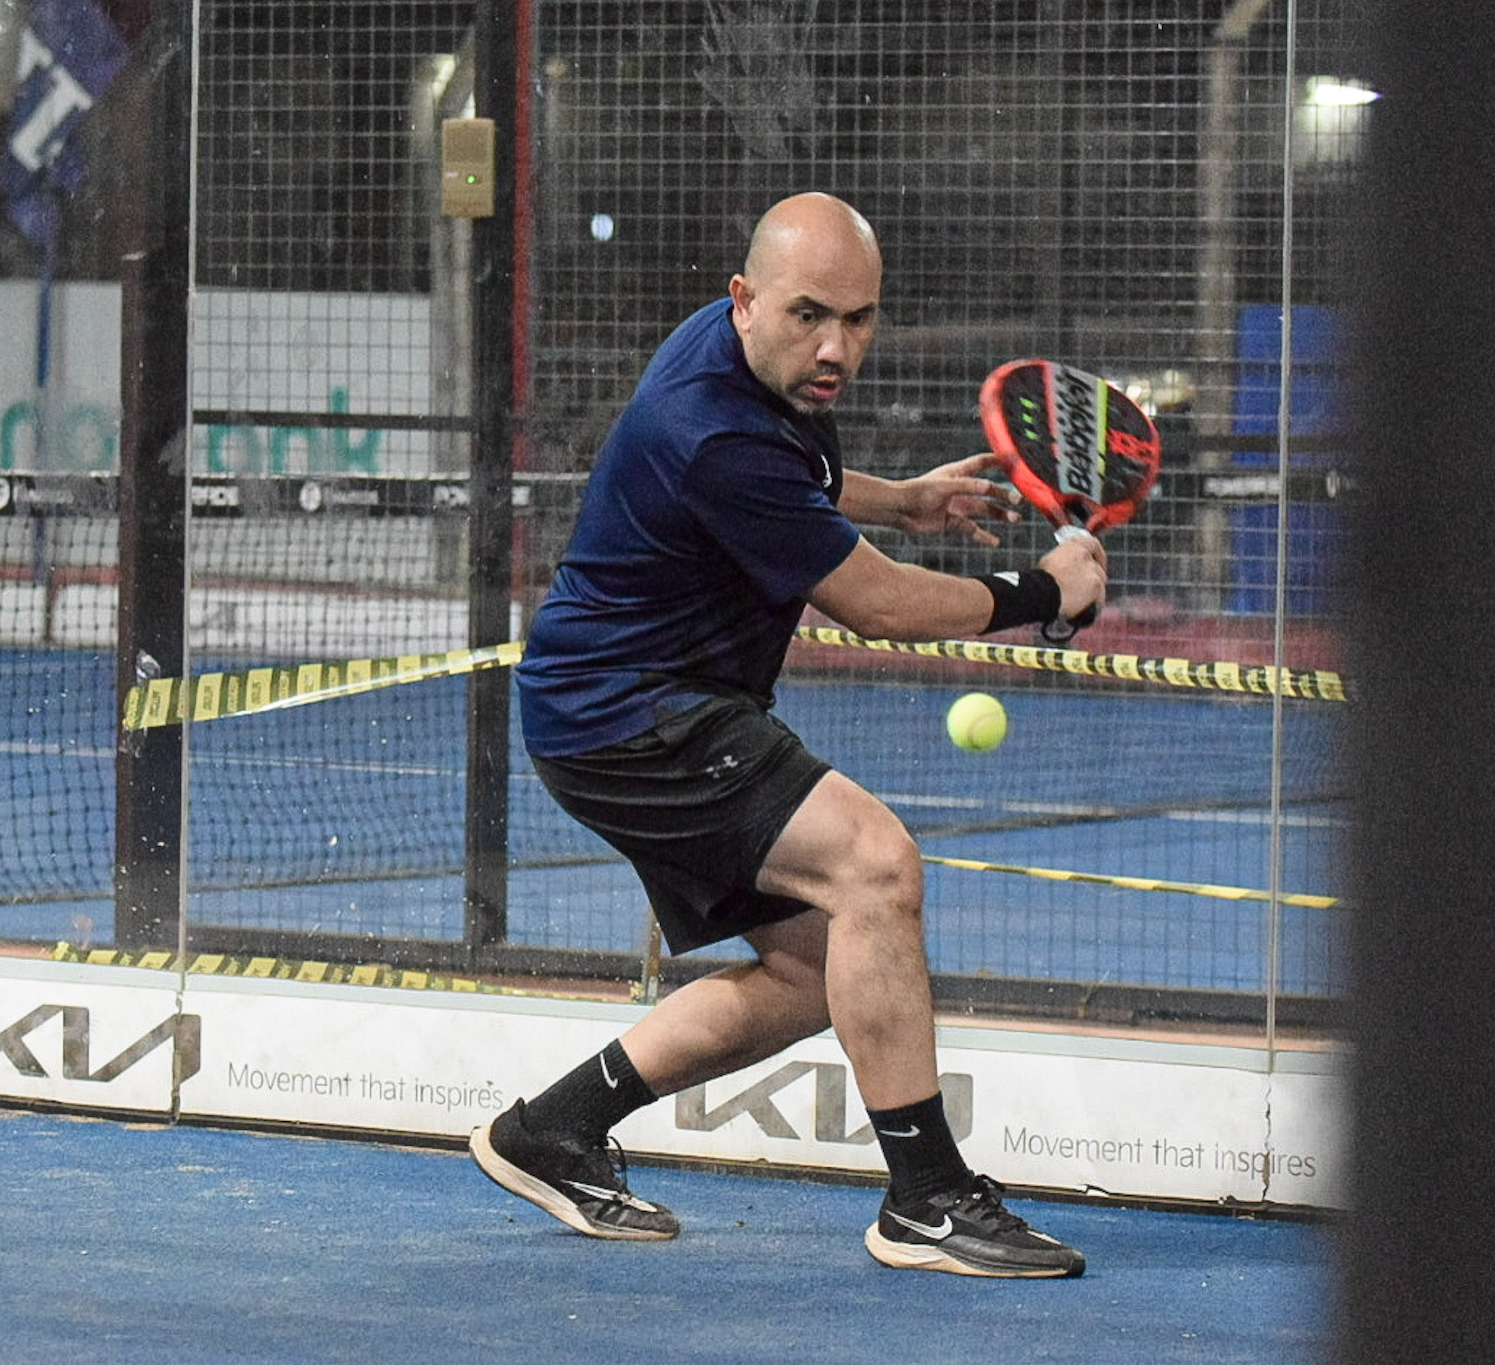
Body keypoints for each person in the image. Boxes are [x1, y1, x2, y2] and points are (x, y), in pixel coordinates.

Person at [469, 192, 1105, 1278]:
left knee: (815, 969)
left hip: (641, 704)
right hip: (629, 711)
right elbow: (877, 605)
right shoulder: (709, 429)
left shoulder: (735, 359)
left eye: (858, 319)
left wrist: (900, 501)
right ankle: (927, 1201)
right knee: (874, 865)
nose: (835, 349)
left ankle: (553, 1130)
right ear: (744, 299)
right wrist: (1040, 592)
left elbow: (792, 476)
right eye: (810, 316)